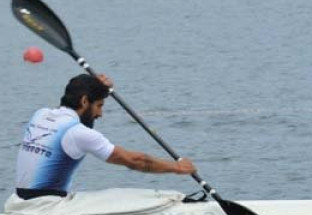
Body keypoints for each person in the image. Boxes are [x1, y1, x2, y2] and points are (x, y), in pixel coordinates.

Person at [15, 73, 197, 200]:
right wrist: (177, 167)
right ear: (85, 101)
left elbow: (74, 97)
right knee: (129, 197)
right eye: (99, 105)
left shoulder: (40, 114)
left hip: (19, 200)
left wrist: (94, 85)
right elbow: (136, 161)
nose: (100, 114)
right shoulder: (79, 133)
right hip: (48, 208)